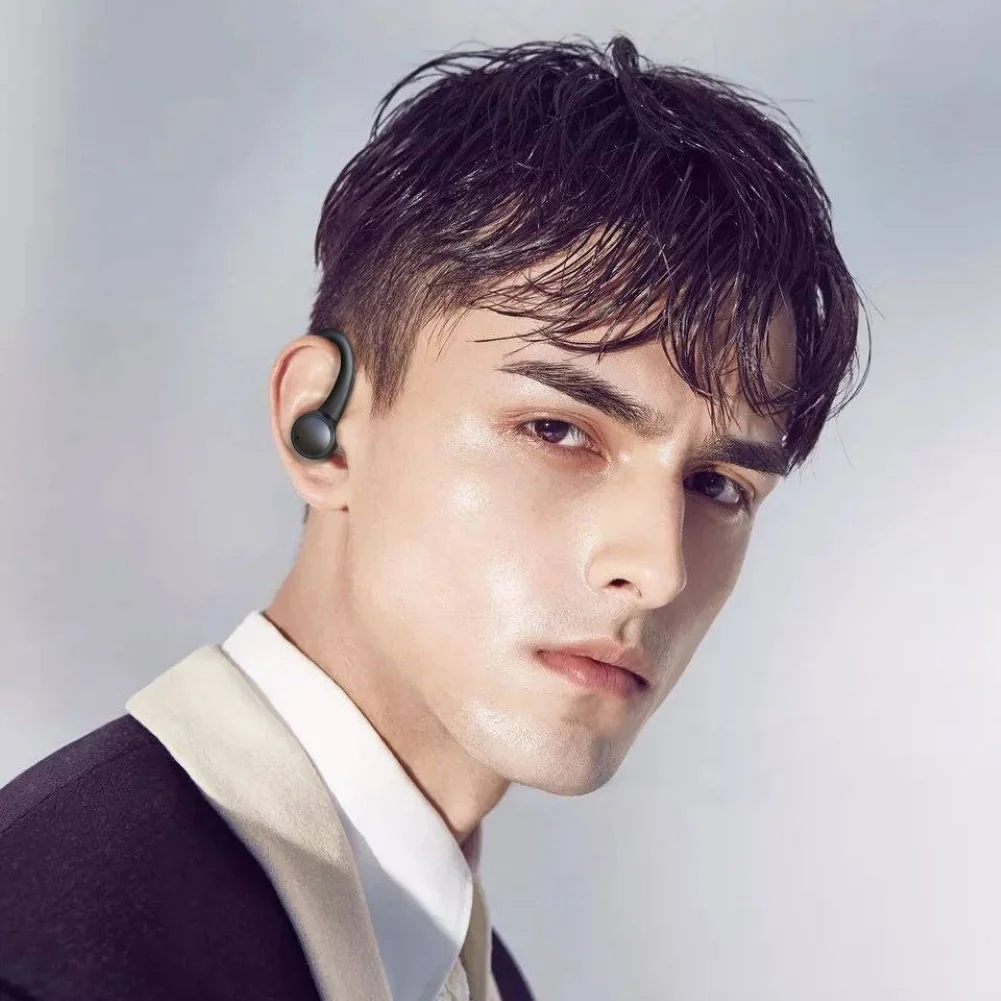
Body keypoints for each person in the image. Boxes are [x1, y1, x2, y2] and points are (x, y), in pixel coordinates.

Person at [0, 34, 867, 1001]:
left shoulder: (449, 965)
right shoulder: (44, 950)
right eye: (557, 430)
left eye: (716, 486)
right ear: (322, 427)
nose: (656, 567)